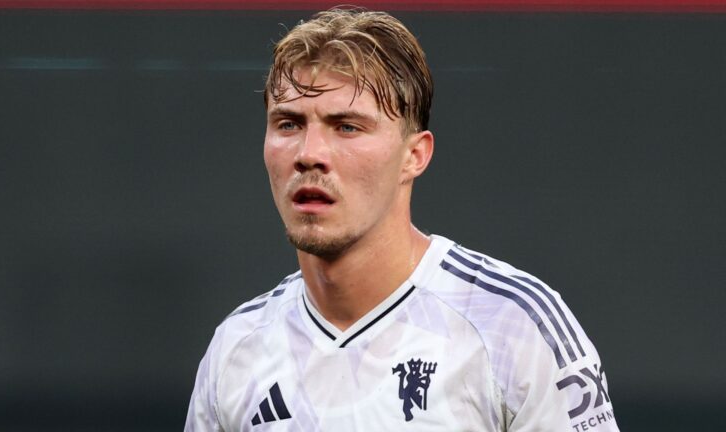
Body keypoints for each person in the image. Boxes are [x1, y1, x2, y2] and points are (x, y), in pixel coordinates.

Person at [185, 8, 619, 431]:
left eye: (347, 127)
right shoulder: (237, 349)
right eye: (288, 124)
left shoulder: (512, 326)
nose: (308, 154)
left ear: (414, 156)